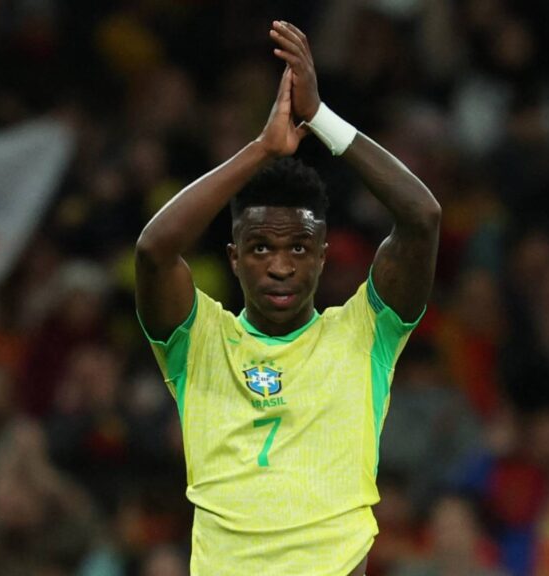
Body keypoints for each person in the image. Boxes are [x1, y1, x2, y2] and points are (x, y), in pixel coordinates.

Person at [134, 20, 441, 576]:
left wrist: (320, 117)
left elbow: (422, 218)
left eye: (299, 248)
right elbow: (155, 250)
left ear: (323, 255)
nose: (280, 265)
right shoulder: (200, 339)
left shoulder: (365, 333)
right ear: (233, 257)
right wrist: (262, 149)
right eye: (260, 248)